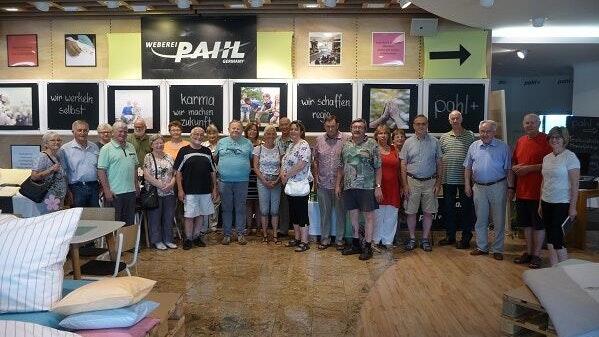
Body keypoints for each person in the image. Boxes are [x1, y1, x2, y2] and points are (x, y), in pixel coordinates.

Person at [465, 120, 513, 261]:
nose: (484, 134)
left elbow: (509, 169)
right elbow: (467, 167)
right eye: (482, 131)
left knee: (498, 219)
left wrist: (511, 187)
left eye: (488, 131)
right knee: (480, 219)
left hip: (498, 186)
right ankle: (482, 247)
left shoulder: (503, 147)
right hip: (478, 187)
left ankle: (497, 249)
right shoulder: (473, 146)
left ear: (494, 132)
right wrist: (467, 185)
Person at [337, 118, 383, 261]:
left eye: (360, 127)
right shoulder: (345, 145)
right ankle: (356, 244)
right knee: (353, 217)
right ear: (351, 128)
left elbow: (378, 167)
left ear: (365, 130)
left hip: (367, 187)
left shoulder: (372, 144)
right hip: (349, 187)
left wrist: (378, 187)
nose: (357, 129)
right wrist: (338, 185)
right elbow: (340, 167)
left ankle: (368, 247)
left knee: (369, 217)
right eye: (355, 127)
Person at [511, 114, 552, 269]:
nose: (530, 125)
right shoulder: (520, 141)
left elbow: (551, 163)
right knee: (526, 225)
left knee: (539, 225)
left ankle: (537, 255)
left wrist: (529, 168)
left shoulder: (548, 140)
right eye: (527, 123)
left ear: (539, 123)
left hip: (539, 192)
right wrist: (515, 168)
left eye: (533, 122)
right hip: (522, 191)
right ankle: (528, 252)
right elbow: (515, 161)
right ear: (523, 125)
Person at [399, 115, 442, 252]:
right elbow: (403, 164)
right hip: (412, 181)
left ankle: (424, 239)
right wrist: (405, 185)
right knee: (411, 212)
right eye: (418, 124)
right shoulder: (408, 142)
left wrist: (438, 184)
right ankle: (412, 238)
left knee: (428, 212)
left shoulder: (435, 142)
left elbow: (440, 163)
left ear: (427, 125)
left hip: (430, 182)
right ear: (413, 125)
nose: (421, 126)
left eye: (423, 124)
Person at [539, 126, 580, 266]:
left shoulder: (570, 157)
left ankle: (566, 272)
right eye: (552, 137)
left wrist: (573, 208)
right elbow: (544, 181)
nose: (554, 140)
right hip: (546, 201)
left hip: (562, 203)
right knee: (550, 238)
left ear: (564, 139)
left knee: (557, 239)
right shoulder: (546, 158)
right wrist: (540, 203)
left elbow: (575, 185)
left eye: (558, 137)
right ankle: (554, 269)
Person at [175, 127, 218, 250]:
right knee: (189, 215)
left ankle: (196, 237)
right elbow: (178, 172)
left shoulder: (207, 151)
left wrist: (214, 188)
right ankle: (188, 239)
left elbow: (213, 172)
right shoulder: (183, 151)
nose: (199, 136)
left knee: (201, 214)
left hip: (205, 190)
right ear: (190, 135)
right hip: (189, 190)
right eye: (196, 134)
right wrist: (180, 190)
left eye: (201, 134)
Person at [438, 111, 476, 249]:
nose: (455, 120)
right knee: (449, 209)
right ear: (449, 121)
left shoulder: (470, 135)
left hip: (465, 180)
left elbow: (473, 157)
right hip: (448, 179)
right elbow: (440, 159)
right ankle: (450, 236)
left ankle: (466, 237)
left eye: (457, 118)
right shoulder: (443, 138)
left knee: (466, 210)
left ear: (461, 119)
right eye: (452, 118)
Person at [215, 120, 253, 245]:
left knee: (240, 208)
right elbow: (215, 159)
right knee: (226, 208)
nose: (236, 130)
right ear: (228, 129)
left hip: (242, 181)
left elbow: (252, 160)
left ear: (242, 130)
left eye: (238, 128)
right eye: (233, 128)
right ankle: (227, 234)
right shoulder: (221, 142)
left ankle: (241, 234)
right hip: (224, 181)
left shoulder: (248, 143)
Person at [313, 115, 349, 250]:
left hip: (340, 184)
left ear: (337, 125)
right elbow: (315, 160)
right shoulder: (319, 140)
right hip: (323, 183)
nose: (330, 129)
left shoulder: (346, 139)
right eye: (327, 126)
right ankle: (325, 239)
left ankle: (339, 240)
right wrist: (316, 178)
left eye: (332, 126)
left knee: (340, 213)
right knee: (325, 213)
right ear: (324, 126)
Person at [98, 121, 140, 226]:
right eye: (120, 131)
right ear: (113, 133)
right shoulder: (106, 149)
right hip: (115, 194)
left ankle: (126, 243)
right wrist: (107, 191)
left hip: (130, 192)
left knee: (128, 224)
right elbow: (101, 171)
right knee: (114, 224)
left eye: (126, 131)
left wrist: (136, 185)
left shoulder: (131, 147)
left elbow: (135, 167)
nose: (123, 134)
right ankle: (116, 243)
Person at [281, 121, 312, 252]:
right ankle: (297, 238)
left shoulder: (304, 145)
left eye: (296, 129)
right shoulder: (290, 146)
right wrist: (282, 173)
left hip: (301, 182)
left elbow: (302, 164)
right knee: (293, 212)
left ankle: (305, 241)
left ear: (301, 132)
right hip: (291, 183)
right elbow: (284, 161)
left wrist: (287, 175)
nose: (293, 131)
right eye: (291, 129)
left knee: (301, 213)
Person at [143, 134, 177, 250]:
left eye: (161, 142)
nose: (159, 145)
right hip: (155, 193)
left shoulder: (169, 157)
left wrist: (171, 184)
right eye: (156, 143)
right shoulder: (148, 157)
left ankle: (168, 239)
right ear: (151, 145)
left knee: (168, 217)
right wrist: (161, 185)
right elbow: (146, 175)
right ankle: (157, 241)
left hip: (169, 192)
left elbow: (174, 174)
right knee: (155, 218)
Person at [59, 120, 100, 208]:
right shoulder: (65, 149)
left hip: (94, 187)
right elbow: (63, 173)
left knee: (94, 217)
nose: (82, 133)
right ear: (73, 132)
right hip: (76, 188)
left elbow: (99, 168)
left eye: (85, 130)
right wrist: (67, 191)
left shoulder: (94, 147)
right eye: (79, 130)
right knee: (78, 217)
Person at [373, 125, 400, 249]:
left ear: (389, 135)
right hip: (378, 186)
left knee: (391, 215)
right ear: (376, 135)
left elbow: (399, 169)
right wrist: (375, 187)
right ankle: (376, 240)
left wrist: (403, 186)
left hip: (393, 187)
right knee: (377, 216)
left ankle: (388, 241)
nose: (383, 135)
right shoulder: (373, 149)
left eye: (385, 133)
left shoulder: (395, 149)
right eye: (380, 133)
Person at [254, 125, 282, 244]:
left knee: (275, 210)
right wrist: (264, 180)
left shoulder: (279, 149)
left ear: (275, 136)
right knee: (264, 210)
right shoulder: (258, 149)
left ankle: (275, 235)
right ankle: (265, 234)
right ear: (264, 135)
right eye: (268, 134)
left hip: (276, 181)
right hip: (262, 181)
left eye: (273, 134)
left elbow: (282, 166)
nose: (270, 136)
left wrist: (277, 181)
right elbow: (255, 167)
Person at [31, 132, 67, 214]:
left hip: (59, 197)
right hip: (47, 198)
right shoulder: (42, 157)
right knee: (48, 221)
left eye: (58, 140)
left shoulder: (57, 157)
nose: (56, 142)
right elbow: (34, 177)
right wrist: (51, 170)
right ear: (46, 144)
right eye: (52, 140)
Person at [202, 124, 220, 232]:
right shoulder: (203, 145)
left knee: (216, 200)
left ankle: (213, 225)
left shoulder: (221, 145)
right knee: (205, 200)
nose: (212, 135)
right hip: (205, 177)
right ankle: (204, 225)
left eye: (214, 133)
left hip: (218, 176)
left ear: (217, 134)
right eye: (209, 133)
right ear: (206, 134)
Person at [276, 117, 292, 237]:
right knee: (283, 204)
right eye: (282, 125)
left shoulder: (296, 140)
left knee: (296, 203)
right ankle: (284, 229)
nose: (285, 127)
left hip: (296, 177)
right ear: (279, 126)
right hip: (281, 177)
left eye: (287, 124)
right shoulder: (276, 141)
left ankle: (299, 230)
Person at [245, 122, 261, 234]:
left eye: (254, 130)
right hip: (246, 176)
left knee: (259, 202)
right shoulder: (242, 143)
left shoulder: (261, 144)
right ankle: (249, 226)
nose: (252, 131)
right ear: (246, 131)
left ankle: (260, 227)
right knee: (248, 202)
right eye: (250, 129)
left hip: (259, 176)